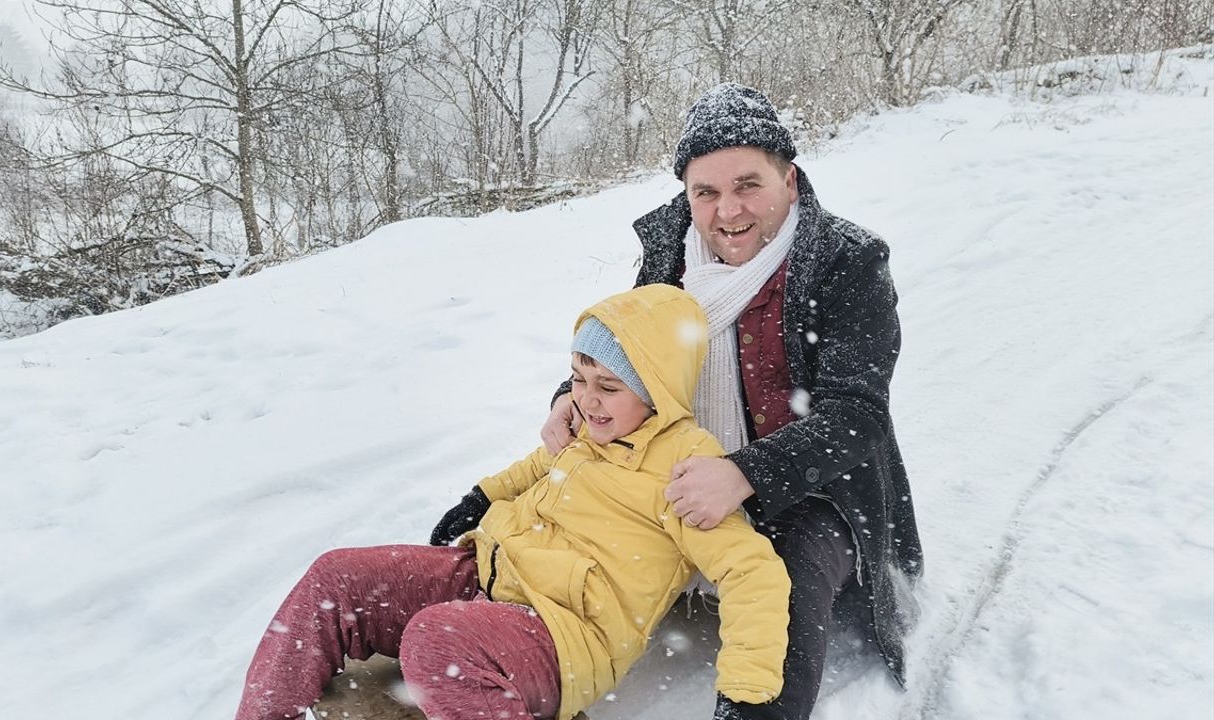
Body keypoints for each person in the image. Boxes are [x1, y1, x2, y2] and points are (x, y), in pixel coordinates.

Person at [540, 83, 925, 720]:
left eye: (749, 184)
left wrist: (744, 472)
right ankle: (503, 667)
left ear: (790, 181)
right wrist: (568, 399)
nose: (727, 211)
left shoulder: (845, 261)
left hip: (810, 486)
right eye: (707, 192)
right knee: (563, 538)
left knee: (784, 589)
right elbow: (628, 344)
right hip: (678, 466)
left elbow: (856, 418)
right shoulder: (671, 250)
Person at [235, 283, 791, 720]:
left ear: (657, 388)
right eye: (578, 378)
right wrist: (481, 498)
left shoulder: (686, 466)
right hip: (489, 575)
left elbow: (752, 573)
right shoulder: (586, 430)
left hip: (562, 636)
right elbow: (538, 466)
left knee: (437, 641)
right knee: (337, 578)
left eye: (609, 386)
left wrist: (748, 699)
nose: (587, 400)